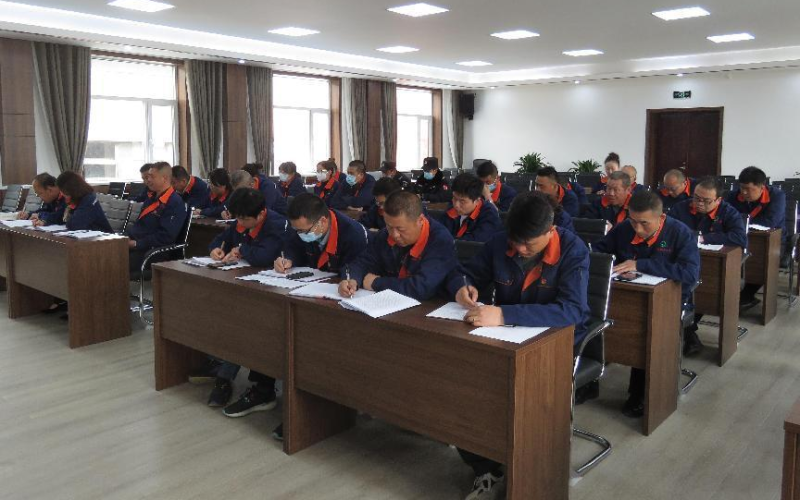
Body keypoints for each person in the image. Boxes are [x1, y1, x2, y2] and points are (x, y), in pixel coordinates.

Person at [444, 191, 590, 500]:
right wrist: (462, 287)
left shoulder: (573, 250)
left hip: (553, 346)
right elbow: (466, 272)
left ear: (550, 230)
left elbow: (573, 310)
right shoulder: (501, 242)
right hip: (506, 341)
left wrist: (504, 314)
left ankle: (534, 470)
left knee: (521, 400)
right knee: (461, 385)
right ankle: (485, 466)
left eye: (529, 244)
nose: (520, 249)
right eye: (516, 241)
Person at [593, 191, 700, 418]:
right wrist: (610, 264)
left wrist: (640, 264)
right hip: (624, 295)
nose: (638, 229)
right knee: (593, 320)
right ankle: (589, 382)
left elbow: (690, 274)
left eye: (644, 223)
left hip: (669, 302)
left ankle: (640, 393)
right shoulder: (624, 228)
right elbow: (599, 252)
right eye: (633, 221)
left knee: (646, 331)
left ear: (660, 218)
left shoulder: (680, 233)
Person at [668, 177, 747, 355]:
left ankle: (688, 334)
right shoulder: (680, 208)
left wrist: (704, 238)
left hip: (713, 268)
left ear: (718, 200)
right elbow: (665, 229)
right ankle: (687, 334)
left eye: (706, 200)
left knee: (704, 292)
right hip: (682, 264)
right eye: (696, 198)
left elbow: (740, 238)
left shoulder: (729, 212)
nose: (699, 203)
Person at [338, 191, 457, 301]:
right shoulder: (385, 235)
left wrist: (376, 283)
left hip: (430, 307)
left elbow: (421, 287)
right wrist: (351, 279)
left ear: (420, 220)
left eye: (401, 229)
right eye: (389, 227)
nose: (394, 235)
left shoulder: (440, 241)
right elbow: (362, 262)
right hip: (388, 303)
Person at [726, 166, 787, 310]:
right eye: (742, 188)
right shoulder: (733, 196)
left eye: (748, 189)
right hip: (741, 238)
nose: (744, 192)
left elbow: (770, 222)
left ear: (761, 187)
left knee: (759, 261)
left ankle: (746, 296)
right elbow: (725, 218)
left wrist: (740, 222)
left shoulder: (777, 196)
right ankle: (727, 294)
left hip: (773, 242)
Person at [127, 162, 187, 275]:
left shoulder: (174, 202)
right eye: (147, 177)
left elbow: (165, 237)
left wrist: (136, 244)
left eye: (152, 177)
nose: (148, 180)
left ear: (164, 178)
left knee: (114, 262)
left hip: (153, 251)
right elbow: (140, 225)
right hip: (136, 244)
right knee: (106, 252)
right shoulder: (151, 198)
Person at [208, 188, 290, 268]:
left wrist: (241, 250)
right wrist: (215, 249)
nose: (240, 222)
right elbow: (222, 239)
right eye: (237, 218)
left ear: (261, 214)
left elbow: (264, 257)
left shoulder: (277, 225)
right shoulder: (243, 218)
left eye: (245, 219)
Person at [439, 173, 503, 242]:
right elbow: (439, 232)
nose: (456, 205)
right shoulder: (451, 208)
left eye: (462, 201)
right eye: (454, 198)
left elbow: (474, 243)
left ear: (477, 201)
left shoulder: (489, 215)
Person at [47, 172, 112, 232]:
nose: (61, 194)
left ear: (71, 190)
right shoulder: (76, 199)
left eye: (63, 191)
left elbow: (74, 224)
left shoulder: (89, 199)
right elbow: (59, 217)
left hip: (105, 238)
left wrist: (69, 210)